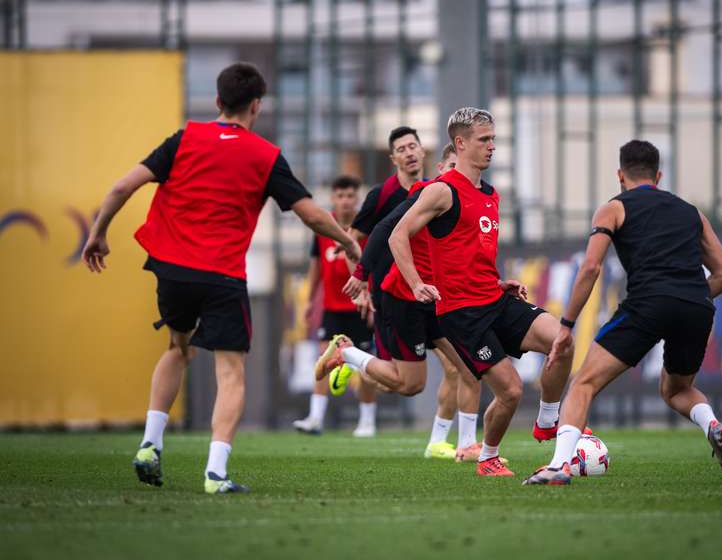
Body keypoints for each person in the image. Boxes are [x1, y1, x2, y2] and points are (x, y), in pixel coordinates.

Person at [81, 63, 361, 494]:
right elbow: (311, 214)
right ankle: (215, 473)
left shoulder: (185, 138)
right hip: (220, 274)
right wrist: (349, 242)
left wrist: (98, 233)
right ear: (256, 106)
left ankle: (149, 445)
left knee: (177, 348)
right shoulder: (266, 156)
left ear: (217, 102)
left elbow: (122, 187)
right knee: (230, 373)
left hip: (171, 269)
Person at [523, 140, 722, 486]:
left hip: (649, 302)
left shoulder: (613, 208)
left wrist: (566, 325)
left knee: (582, 384)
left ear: (620, 175)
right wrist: (691, 294)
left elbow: (591, 268)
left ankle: (559, 466)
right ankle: (712, 424)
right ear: (658, 175)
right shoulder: (690, 211)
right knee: (677, 390)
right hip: (697, 306)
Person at [388, 107, 575, 477]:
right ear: (460, 143)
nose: (492, 146)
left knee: (562, 340)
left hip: (495, 298)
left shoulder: (491, 194)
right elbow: (397, 235)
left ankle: (549, 419)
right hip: (462, 313)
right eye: (484, 140)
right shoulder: (442, 191)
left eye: (493, 139)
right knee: (510, 390)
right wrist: (416, 283)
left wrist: (499, 282)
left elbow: (471, 251)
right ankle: (487, 456)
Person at [335, 143, 485, 461]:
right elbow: (383, 230)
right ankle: (346, 354)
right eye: (453, 167)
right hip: (404, 298)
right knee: (409, 385)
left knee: (467, 366)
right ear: (443, 168)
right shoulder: (427, 193)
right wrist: (362, 274)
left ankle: (461, 444)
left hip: (437, 299)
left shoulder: (471, 201)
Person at [292, 175, 376, 437]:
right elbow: (316, 266)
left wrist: (372, 300)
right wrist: (308, 301)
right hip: (331, 308)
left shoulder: (366, 228)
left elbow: (374, 265)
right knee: (324, 360)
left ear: (357, 198)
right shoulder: (323, 228)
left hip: (360, 308)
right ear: (333, 198)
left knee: (365, 367)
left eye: (350, 196)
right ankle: (315, 417)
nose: (345, 201)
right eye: (340, 196)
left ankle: (367, 421)